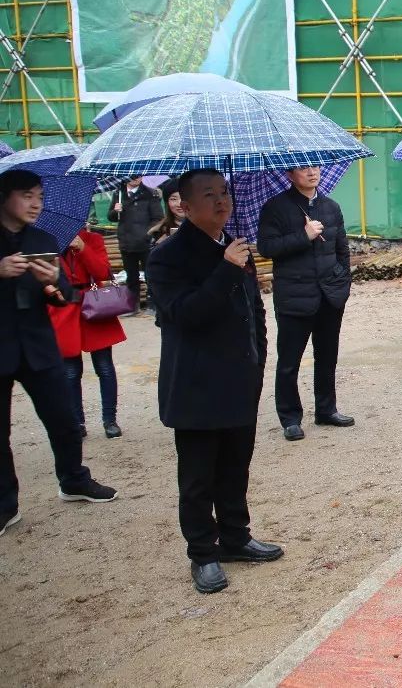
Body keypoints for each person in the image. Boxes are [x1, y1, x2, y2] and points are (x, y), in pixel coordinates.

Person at [147, 169, 282, 593]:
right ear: (184, 206)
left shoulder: (234, 246)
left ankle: (236, 536)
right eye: (209, 195)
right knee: (198, 475)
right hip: (196, 386)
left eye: (224, 192)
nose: (222, 201)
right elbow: (184, 315)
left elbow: (254, 310)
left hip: (239, 379)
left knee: (235, 466)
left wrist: (258, 360)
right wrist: (224, 270)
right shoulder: (167, 256)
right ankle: (203, 553)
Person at [2, 169, 118, 537]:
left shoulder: (43, 237)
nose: (36, 203)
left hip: (38, 343)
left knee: (65, 419)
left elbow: (65, 294)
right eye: (26, 195)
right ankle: (6, 505)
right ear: (4, 197)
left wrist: (52, 284)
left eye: (39, 195)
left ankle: (73, 479)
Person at [257, 166, 354, 442]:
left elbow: (341, 249)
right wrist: (304, 236)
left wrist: (342, 284)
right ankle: (290, 418)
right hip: (294, 296)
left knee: (327, 356)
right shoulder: (275, 208)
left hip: (329, 296)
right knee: (289, 361)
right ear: (289, 175)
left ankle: (326, 409)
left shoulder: (331, 207)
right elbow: (266, 247)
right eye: (303, 168)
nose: (312, 173)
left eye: (315, 167)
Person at [50, 227, 128, 439]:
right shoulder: (47, 242)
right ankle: (78, 422)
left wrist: (83, 248)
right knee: (71, 372)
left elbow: (103, 271)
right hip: (64, 308)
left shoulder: (93, 239)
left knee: (104, 367)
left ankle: (109, 420)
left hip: (93, 304)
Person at [108, 176, 163, 313]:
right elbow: (111, 216)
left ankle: (153, 304)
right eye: (131, 176)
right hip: (126, 242)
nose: (134, 178)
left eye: (137, 175)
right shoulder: (118, 194)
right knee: (131, 276)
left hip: (145, 243)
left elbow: (157, 217)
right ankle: (133, 305)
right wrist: (116, 211)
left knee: (150, 275)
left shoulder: (150, 194)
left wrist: (147, 234)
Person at [148, 179, 185, 246]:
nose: (179, 204)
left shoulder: (204, 228)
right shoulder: (159, 231)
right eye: (173, 199)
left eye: (184, 197)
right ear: (167, 203)